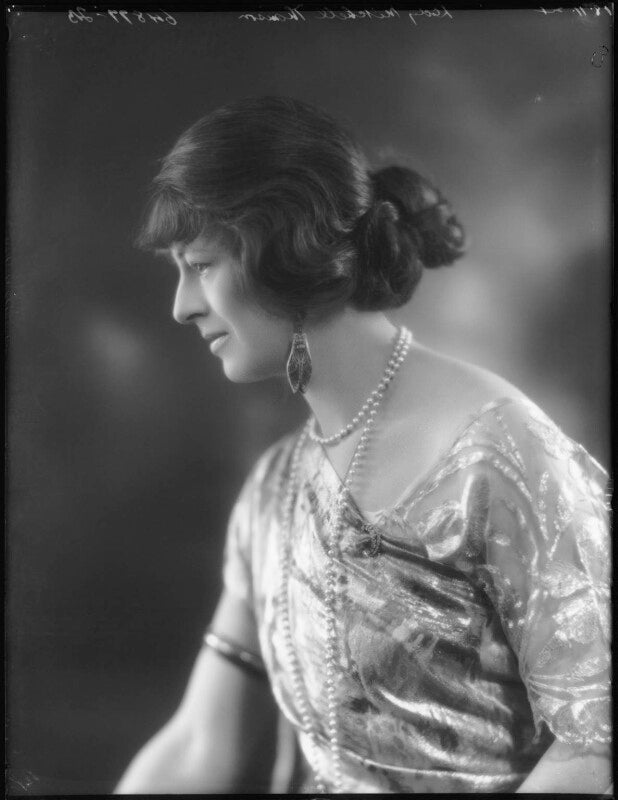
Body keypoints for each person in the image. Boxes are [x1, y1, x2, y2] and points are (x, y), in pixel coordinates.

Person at [116, 96, 611, 794]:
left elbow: (596, 743)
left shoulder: (498, 456)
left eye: (200, 264)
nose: (181, 305)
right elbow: (201, 744)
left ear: (285, 249)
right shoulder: (273, 489)